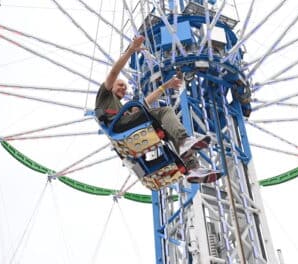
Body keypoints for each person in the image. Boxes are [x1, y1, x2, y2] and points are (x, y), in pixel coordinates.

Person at [95, 36, 221, 184]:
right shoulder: (105, 93)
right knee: (165, 111)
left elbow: (144, 104)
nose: (124, 88)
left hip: (125, 128)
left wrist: (165, 86)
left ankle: (192, 168)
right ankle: (184, 141)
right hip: (119, 126)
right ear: (112, 84)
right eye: (121, 85)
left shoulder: (123, 109)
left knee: (169, 129)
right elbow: (114, 72)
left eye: (125, 87)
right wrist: (131, 50)